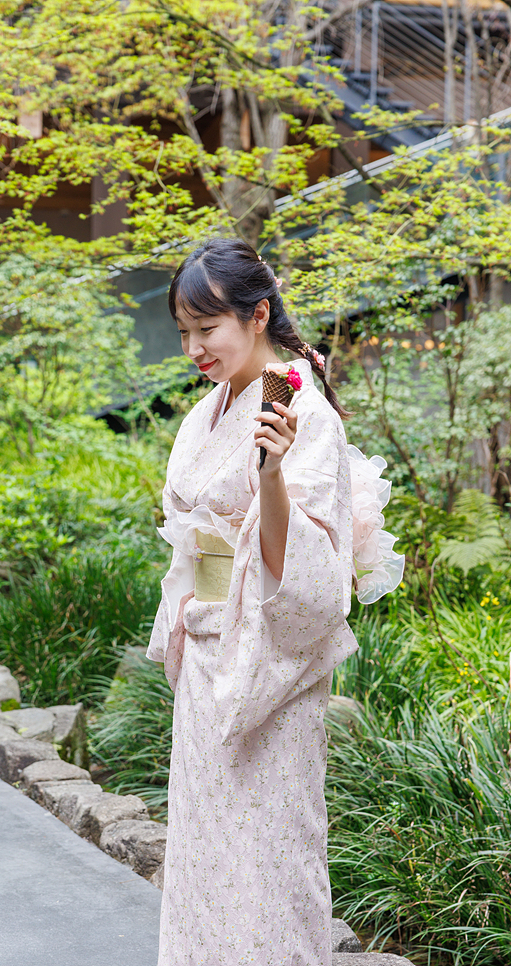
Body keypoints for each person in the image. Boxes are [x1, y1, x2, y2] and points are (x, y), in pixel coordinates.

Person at [146, 237, 402, 966]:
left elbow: (309, 577)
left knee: (269, 861)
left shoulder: (303, 411)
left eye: (209, 329)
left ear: (257, 316)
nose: (195, 347)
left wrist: (269, 477)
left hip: (270, 664)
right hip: (208, 651)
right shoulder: (205, 413)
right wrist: (195, 625)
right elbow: (193, 543)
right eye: (185, 333)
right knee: (203, 858)